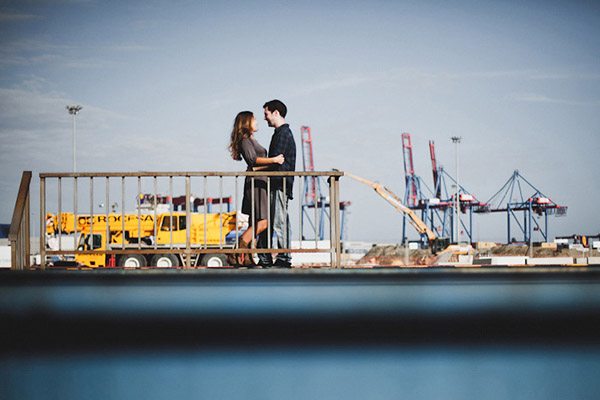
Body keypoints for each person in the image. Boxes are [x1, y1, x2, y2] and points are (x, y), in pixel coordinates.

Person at [228, 111, 284, 267]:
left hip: (259, 180)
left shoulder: (251, 139)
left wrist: (271, 165)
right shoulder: (245, 140)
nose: (258, 122)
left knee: (255, 222)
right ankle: (240, 246)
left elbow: (254, 165)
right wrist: (274, 160)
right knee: (264, 222)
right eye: (254, 120)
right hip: (256, 183)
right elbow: (252, 160)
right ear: (247, 123)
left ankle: (245, 257)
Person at [257, 99, 296, 268]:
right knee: (278, 220)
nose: (265, 118)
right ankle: (281, 256)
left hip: (279, 183)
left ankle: (284, 258)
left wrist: (255, 169)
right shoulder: (282, 133)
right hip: (279, 183)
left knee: (279, 221)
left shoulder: (283, 134)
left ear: (276, 113)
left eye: (266, 114)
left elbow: (276, 161)